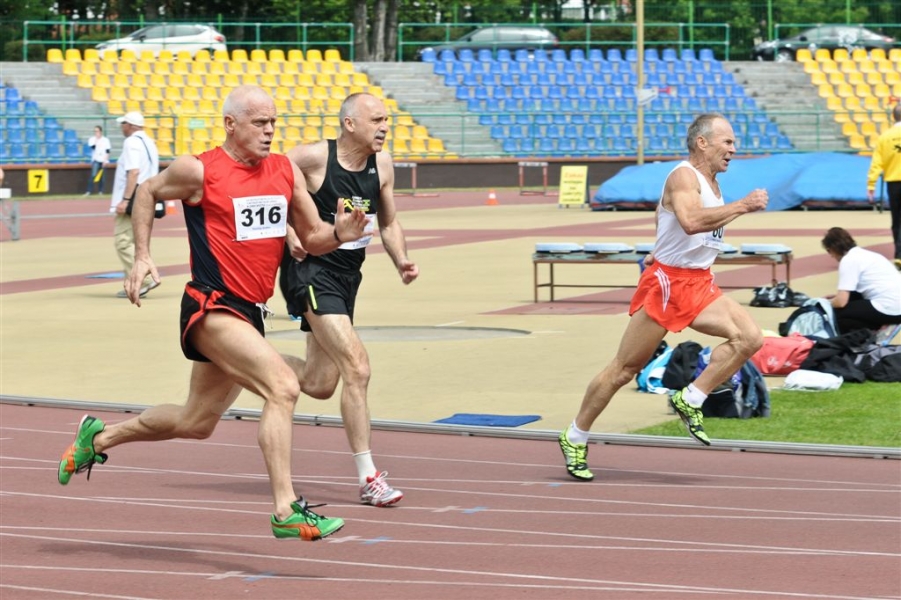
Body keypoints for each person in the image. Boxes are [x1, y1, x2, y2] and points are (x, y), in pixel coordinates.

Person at [57, 85, 368, 541]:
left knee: (196, 422)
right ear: (230, 124)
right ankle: (286, 509)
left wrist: (339, 234)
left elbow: (313, 237)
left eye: (273, 122)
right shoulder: (200, 170)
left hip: (251, 312)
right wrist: (142, 255)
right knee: (283, 386)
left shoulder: (284, 171)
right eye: (259, 123)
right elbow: (147, 191)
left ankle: (98, 438)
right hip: (211, 306)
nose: (269, 131)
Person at [558, 113, 769, 480]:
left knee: (749, 338)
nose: (734, 149)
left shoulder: (712, 183)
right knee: (624, 370)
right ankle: (575, 435)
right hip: (669, 286)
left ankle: (691, 398)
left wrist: (661, 246)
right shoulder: (683, 176)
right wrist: (743, 206)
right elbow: (690, 221)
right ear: (702, 142)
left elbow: (669, 219)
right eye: (727, 142)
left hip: (699, 283)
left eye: (734, 143)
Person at [280, 92, 418, 507]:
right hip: (311, 271)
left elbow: (389, 223)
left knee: (320, 383)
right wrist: (288, 232)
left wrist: (401, 260)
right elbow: (267, 183)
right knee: (358, 368)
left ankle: (241, 358)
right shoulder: (313, 158)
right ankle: (369, 478)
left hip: (347, 278)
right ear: (349, 123)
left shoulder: (382, 165)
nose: (385, 127)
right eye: (376, 120)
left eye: (387, 120)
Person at [110, 112, 160, 298]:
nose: (121, 127)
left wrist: (125, 199)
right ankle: (134, 284)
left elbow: (133, 172)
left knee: (123, 242)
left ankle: (144, 279)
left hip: (134, 197)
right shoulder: (149, 142)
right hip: (148, 196)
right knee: (135, 241)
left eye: (123, 123)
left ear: (130, 125)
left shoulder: (131, 142)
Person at [821, 226, 901, 334]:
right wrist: (837, 297)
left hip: (889, 309)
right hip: (897, 306)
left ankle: (864, 337)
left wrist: (826, 304)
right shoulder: (868, 255)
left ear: (833, 248)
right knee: (853, 302)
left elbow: (841, 303)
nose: (831, 256)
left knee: (837, 315)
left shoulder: (848, 260)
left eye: (829, 251)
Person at [866, 103, 901, 270]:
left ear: (893, 117)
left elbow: (877, 163)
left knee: (897, 219)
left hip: (893, 183)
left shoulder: (885, 137)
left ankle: (899, 255)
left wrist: (871, 184)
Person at [84, 125, 111, 196]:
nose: (96, 133)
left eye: (97, 131)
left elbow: (108, 151)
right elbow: (93, 147)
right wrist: (96, 141)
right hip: (96, 160)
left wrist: (105, 160)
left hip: (103, 160)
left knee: (102, 177)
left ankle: (100, 191)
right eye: (95, 131)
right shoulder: (92, 139)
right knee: (93, 175)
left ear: (101, 131)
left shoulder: (106, 140)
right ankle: (89, 191)